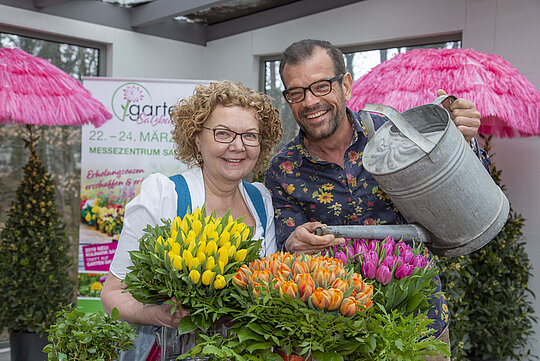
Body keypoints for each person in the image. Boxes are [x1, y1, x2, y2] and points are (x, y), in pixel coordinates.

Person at [264, 39, 491, 361]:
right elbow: (288, 240)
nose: (310, 101)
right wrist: (293, 242)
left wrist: (464, 143)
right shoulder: (282, 170)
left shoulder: (397, 134)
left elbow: (465, 192)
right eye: (296, 93)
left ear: (345, 85)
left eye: (321, 86)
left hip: (419, 324)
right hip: (338, 335)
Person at [101, 80, 283, 358]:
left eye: (250, 135)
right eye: (223, 133)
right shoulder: (164, 195)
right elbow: (112, 295)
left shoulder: (261, 201)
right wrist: (158, 314)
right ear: (197, 138)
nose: (238, 146)